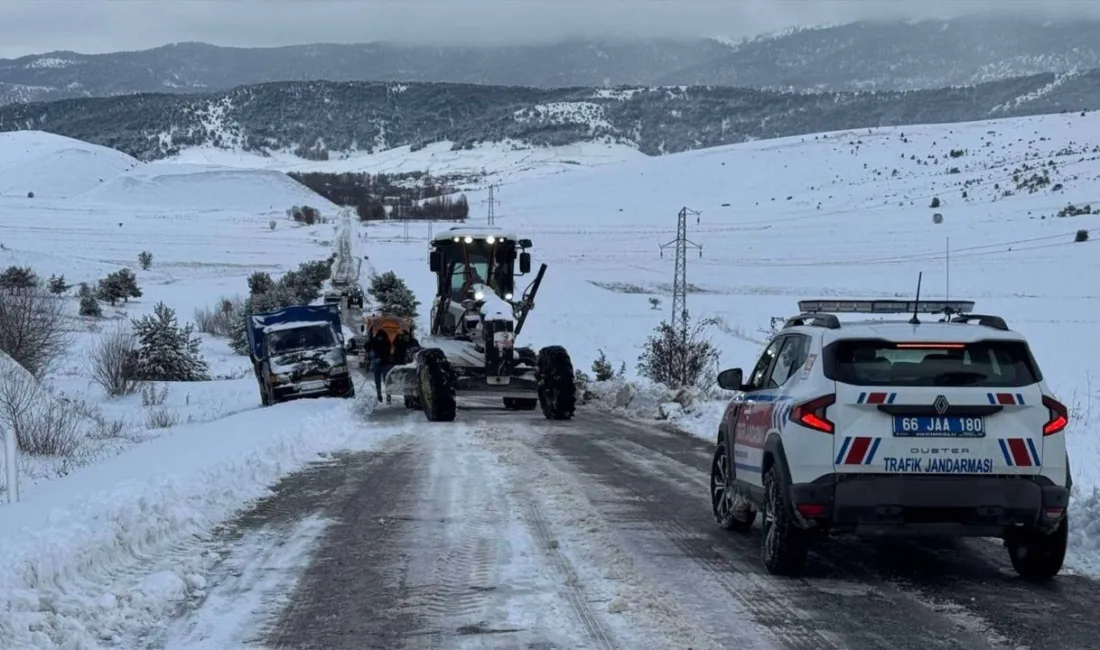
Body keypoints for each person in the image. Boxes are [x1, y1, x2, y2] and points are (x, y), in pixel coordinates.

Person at [368, 328, 393, 403]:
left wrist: (380, 358)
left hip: (385, 364)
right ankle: (379, 396)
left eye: (381, 336)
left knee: (386, 380)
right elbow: (366, 346)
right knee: (378, 381)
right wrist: (371, 351)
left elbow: (387, 353)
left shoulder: (387, 342)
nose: (379, 338)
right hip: (377, 363)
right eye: (378, 336)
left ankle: (388, 397)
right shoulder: (374, 340)